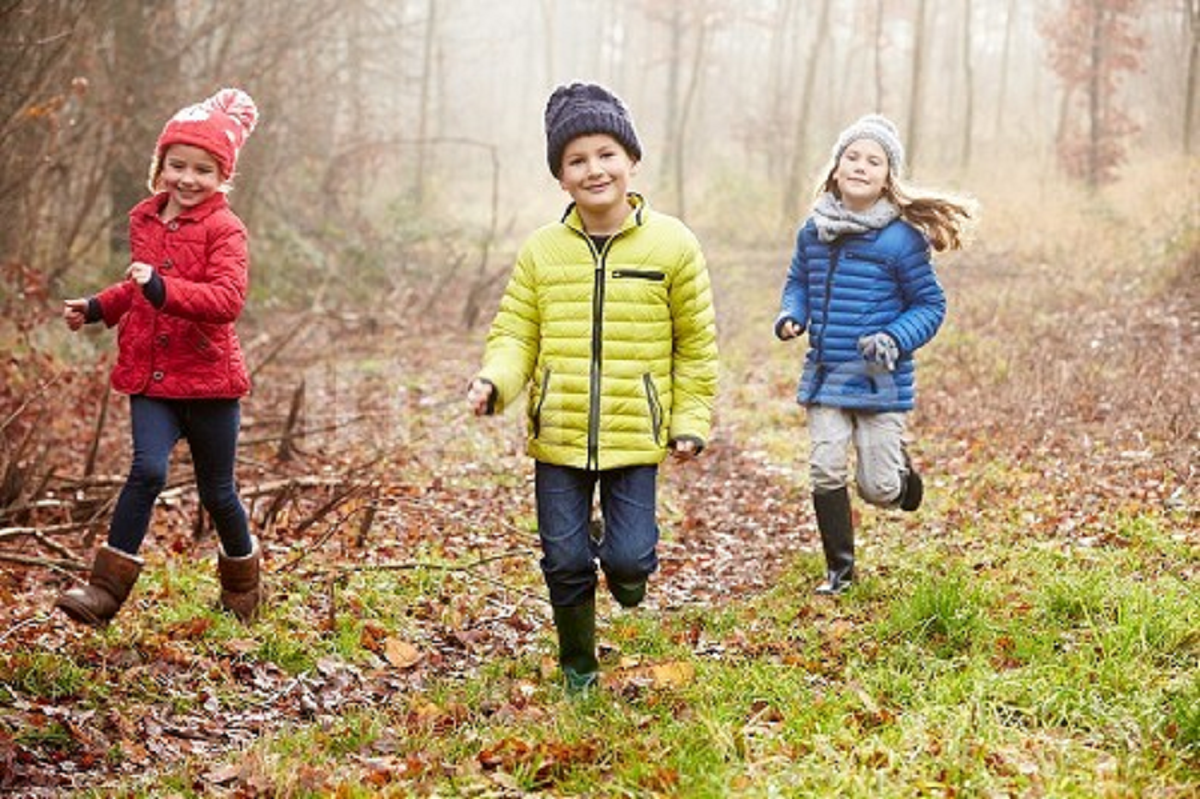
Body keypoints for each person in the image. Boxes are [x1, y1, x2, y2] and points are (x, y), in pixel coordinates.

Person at [467, 82, 719, 691]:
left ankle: (627, 568)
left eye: (606, 153)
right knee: (565, 559)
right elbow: (516, 335)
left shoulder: (673, 245)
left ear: (631, 160)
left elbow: (697, 345)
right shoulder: (541, 252)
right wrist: (494, 383)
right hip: (559, 434)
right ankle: (578, 665)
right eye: (576, 160)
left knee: (630, 561)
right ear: (560, 177)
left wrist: (689, 420)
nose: (594, 169)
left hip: (637, 433)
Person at [55, 88, 262, 627]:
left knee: (219, 493)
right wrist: (99, 307)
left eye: (203, 170)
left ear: (223, 177)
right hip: (151, 377)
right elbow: (137, 284)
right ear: (160, 165)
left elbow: (226, 302)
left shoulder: (226, 230)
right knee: (146, 471)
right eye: (177, 166)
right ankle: (103, 594)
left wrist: (162, 289)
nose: (188, 180)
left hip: (210, 382)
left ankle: (242, 590)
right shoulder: (144, 219)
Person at [774, 114, 974, 596]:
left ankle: (900, 477)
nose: (861, 166)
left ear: (888, 177)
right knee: (824, 465)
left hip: (879, 378)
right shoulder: (814, 231)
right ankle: (839, 572)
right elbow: (797, 281)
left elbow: (930, 304)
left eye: (874, 160)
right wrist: (790, 314)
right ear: (836, 168)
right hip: (826, 372)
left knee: (878, 490)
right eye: (852, 156)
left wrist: (894, 337)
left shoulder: (901, 239)